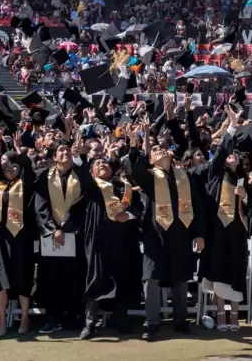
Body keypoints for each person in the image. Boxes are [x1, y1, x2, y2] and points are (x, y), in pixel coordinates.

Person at [131, 99, 206, 342]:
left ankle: (180, 320)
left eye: (162, 148)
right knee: (150, 279)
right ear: (151, 159)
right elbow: (136, 171)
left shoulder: (185, 176)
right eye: (155, 151)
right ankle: (152, 322)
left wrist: (198, 233)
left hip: (181, 233)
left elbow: (194, 206)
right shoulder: (150, 177)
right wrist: (144, 142)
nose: (160, 150)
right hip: (155, 235)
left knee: (180, 277)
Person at [76, 140, 143, 340]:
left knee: (121, 276)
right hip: (97, 239)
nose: (102, 165)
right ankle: (89, 323)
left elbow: (138, 207)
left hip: (122, 239)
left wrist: (129, 216)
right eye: (97, 164)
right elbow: (80, 174)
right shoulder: (91, 187)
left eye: (104, 162)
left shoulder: (123, 187)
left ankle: (120, 320)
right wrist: (80, 155)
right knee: (95, 278)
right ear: (92, 172)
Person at [197, 104, 248, 333]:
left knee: (235, 272)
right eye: (229, 154)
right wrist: (232, 127)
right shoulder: (214, 174)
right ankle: (220, 314)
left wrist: (245, 197)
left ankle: (235, 315)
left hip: (237, 230)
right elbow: (219, 154)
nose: (232, 156)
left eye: (236, 154)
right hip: (217, 229)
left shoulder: (244, 181)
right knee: (218, 272)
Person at [0, 130, 35, 336]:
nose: (10, 167)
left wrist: (19, 150)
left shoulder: (26, 183)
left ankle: (25, 317)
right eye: (7, 164)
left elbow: (28, 169)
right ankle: (2, 318)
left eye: (15, 165)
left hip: (20, 235)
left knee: (22, 274)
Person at [34, 138, 85, 334]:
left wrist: (66, 227)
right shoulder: (44, 177)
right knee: (52, 278)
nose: (65, 153)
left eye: (68, 150)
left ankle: (74, 317)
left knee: (75, 276)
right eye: (61, 151)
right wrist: (53, 229)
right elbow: (41, 206)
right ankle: (54, 317)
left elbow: (82, 203)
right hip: (52, 237)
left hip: (75, 234)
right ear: (54, 156)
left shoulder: (79, 175)